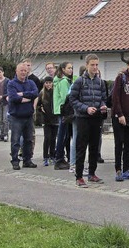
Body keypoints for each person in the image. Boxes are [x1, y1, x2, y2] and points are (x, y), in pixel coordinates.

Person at [69, 54, 108, 187]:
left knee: (94, 147)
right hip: (83, 118)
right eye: (92, 65)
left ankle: (92, 173)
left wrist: (102, 105)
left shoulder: (100, 82)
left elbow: (103, 97)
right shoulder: (80, 81)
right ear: (87, 65)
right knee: (81, 147)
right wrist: (85, 108)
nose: (95, 67)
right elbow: (72, 99)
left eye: (97, 64)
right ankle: (79, 176)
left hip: (96, 118)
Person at [8, 62, 39, 170]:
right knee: (15, 140)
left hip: (28, 116)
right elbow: (12, 97)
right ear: (16, 71)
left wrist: (21, 94)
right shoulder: (11, 84)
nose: (23, 72)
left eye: (25, 71)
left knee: (29, 140)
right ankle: (15, 161)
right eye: (21, 70)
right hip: (16, 116)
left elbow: (35, 93)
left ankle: (27, 160)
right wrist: (25, 97)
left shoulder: (31, 82)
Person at [53, 62, 74, 169]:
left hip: (60, 110)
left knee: (63, 135)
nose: (71, 70)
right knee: (62, 135)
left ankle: (60, 157)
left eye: (71, 68)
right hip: (64, 111)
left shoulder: (59, 80)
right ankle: (59, 158)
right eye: (68, 68)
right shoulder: (64, 81)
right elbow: (66, 97)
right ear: (63, 69)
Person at [38, 76, 63, 168]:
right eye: (47, 83)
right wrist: (40, 109)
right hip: (46, 119)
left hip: (55, 118)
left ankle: (52, 155)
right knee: (47, 138)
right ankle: (45, 157)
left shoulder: (56, 92)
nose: (48, 84)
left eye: (50, 83)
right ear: (44, 84)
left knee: (53, 138)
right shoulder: (42, 93)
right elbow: (38, 104)